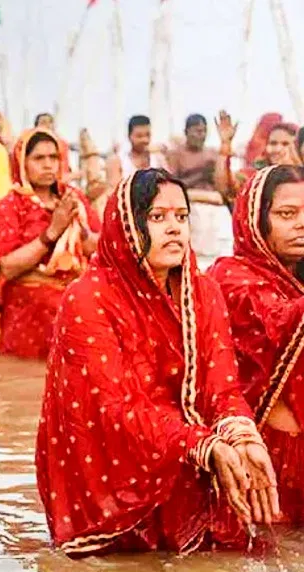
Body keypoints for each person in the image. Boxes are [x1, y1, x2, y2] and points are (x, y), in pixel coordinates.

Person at [38, 169, 277, 556]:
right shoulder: (87, 298)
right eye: (157, 217)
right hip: (113, 478)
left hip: (188, 458)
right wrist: (202, 445)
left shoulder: (205, 292)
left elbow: (223, 389)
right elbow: (112, 407)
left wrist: (243, 436)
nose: (174, 229)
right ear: (127, 225)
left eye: (181, 217)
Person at [209, 165, 304, 524]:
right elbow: (281, 326)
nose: (301, 223)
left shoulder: (294, 277)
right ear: (254, 220)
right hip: (267, 457)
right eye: (286, 214)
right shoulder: (231, 278)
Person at [0, 129, 100, 360]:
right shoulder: (10, 206)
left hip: (75, 314)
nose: (48, 165)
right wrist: (52, 232)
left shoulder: (73, 199)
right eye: (39, 158)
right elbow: (5, 268)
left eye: (53, 157)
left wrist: (78, 226)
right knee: (21, 387)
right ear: (22, 163)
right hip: (28, 318)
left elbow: (98, 249)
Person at [167, 114, 233, 262]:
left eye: (204, 131)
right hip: (189, 207)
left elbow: (223, 187)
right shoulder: (176, 154)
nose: (201, 135)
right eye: (197, 131)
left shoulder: (212, 154)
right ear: (186, 132)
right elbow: (172, 185)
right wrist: (200, 174)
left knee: (219, 256)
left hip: (213, 208)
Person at [106, 115, 168, 188]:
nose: (145, 140)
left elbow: (168, 184)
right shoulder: (118, 161)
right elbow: (114, 189)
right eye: (139, 136)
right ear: (129, 136)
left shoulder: (158, 159)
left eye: (148, 135)